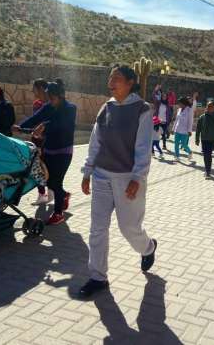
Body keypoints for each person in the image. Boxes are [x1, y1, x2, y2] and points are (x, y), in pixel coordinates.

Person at [79, 65, 157, 298]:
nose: (111, 83)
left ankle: (148, 247)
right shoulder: (106, 108)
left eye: (117, 79)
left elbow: (144, 147)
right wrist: (87, 171)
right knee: (98, 228)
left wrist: (137, 177)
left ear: (131, 82)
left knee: (129, 228)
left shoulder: (142, 110)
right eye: (110, 78)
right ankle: (97, 277)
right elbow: (96, 141)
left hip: (128, 178)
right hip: (102, 175)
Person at [18, 79, 76, 225]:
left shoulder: (70, 108)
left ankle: (58, 213)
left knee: (56, 180)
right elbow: (35, 118)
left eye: (52, 97)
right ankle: (63, 195)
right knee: (49, 181)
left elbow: (62, 124)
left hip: (64, 151)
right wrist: (20, 127)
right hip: (49, 149)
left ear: (60, 96)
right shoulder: (48, 107)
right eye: (48, 97)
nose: (50, 101)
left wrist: (44, 126)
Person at [31, 78, 52, 205]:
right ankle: (41, 194)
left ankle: (55, 193)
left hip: (48, 141)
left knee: (49, 168)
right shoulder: (37, 104)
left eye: (34, 88)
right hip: (37, 140)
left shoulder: (52, 104)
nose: (33, 91)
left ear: (41, 89)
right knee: (37, 167)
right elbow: (35, 121)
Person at [195, 101, 214, 179]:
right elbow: (198, 129)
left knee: (208, 155)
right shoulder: (202, 117)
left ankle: (208, 171)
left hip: (213, 139)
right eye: (208, 106)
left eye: (211, 106)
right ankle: (207, 170)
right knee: (206, 155)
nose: (209, 108)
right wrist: (197, 139)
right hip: (204, 139)